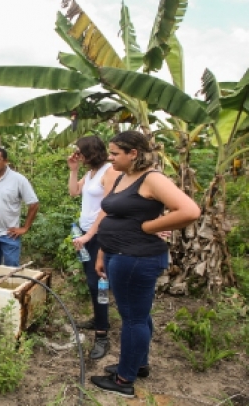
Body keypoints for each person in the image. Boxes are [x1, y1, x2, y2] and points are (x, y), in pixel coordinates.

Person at [90, 131, 200, 398]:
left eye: (115, 153)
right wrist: (103, 253)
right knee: (137, 315)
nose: (110, 157)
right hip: (119, 254)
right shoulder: (124, 176)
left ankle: (124, 380)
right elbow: (113, 216)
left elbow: (190, 211)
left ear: (133, 154)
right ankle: (138, 364)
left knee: (133, 319)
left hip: (137, 258)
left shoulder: (152, 178)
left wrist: (149, 226)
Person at [67, 135, 119, 360]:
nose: (77, 155)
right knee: (91, 281)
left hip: (99, 234)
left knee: (98, 281)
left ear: (90, 152)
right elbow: (73, 192)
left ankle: (102, 334)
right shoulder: (90, 173)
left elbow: (107, 207)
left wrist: (89, 234)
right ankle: (99, 319)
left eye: (80, 152)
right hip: (85, 231)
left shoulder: (109, 171)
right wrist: (73, 169)